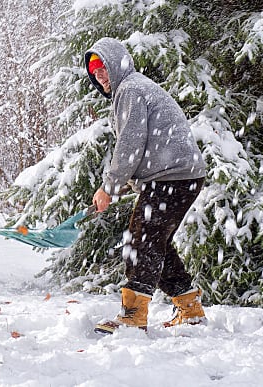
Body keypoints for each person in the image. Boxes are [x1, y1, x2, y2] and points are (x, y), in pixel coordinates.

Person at [84, 37, 208, 334]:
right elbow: (140, 148)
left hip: (173, 176)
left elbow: (129, 146)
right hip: (179, 176)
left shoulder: (130, 89)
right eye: (93, 69)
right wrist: (119, 184)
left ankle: (133, 316)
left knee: (141, 241)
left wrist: (109, 187)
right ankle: (190, 308)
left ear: (116, 63)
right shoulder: (134, 87)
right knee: (153, 241)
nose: (99, 73)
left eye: (102, 65)